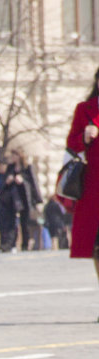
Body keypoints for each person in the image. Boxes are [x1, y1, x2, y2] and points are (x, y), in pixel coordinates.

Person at [66, 66, 99, 288]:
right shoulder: (84, 109)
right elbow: (71, 143)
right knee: (97, 246)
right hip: (93, 189)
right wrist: (84, 137)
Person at [4, 148, 42, 251]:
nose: (12, 158)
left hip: (24, 198)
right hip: (13, 199)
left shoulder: (27, 167)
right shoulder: (10, 168)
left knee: (25, 222)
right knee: (12, 222)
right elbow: (4, 183)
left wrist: (38, 200)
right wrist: (8, 181)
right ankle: (11, 244)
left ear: (19, 156)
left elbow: (33, 183)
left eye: (14, 155)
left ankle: (25, 244)